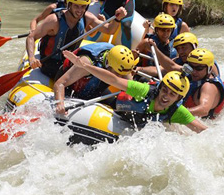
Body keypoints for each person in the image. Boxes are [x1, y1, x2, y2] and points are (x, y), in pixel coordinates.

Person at [63, 49, 207, 133]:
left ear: (178, 99)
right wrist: (84, 66)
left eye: (172, 94)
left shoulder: (178, 111)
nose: (166, 96)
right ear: (160, 88)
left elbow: (203, 130)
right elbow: (114, 80)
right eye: (165, 90)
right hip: (119, 111)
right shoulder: (144, 90)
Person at [26, 0, 126, 80]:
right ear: (69, 5)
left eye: (83, 7)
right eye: (76, 6)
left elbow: (109, 30)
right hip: (51, 63)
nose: (79, 10)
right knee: (81, 72)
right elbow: (31, 37)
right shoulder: (54, 20)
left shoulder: (87, 17)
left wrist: (117, 19)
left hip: (71, 61)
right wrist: (31, 58)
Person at [53, 43, 138, 114]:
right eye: (117, 74)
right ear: (109, 65)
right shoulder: (87, 62)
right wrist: (60, 104)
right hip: (71, 88)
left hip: (95, 90)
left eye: (122, 75)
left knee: (120, 105)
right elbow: (59, 84)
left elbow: (130, 86)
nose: (120, 78)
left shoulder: (121, 65)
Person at [182, 48, 224, 119]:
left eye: (199, 68)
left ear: (209, 69)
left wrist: (176, 113)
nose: (194, 72)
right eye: (191, 67)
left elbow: (203, 110)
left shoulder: (209, 86)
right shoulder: (200, 76)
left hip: (207, 124)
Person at [135, 13, 178, 77]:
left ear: (172, 31)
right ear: (157, 30)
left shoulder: (175, 46)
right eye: (163, 30)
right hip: (144, 76)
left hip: (165, 77)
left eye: (168, 30)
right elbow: (132, 57)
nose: (165, 33)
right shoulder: (146, 43)